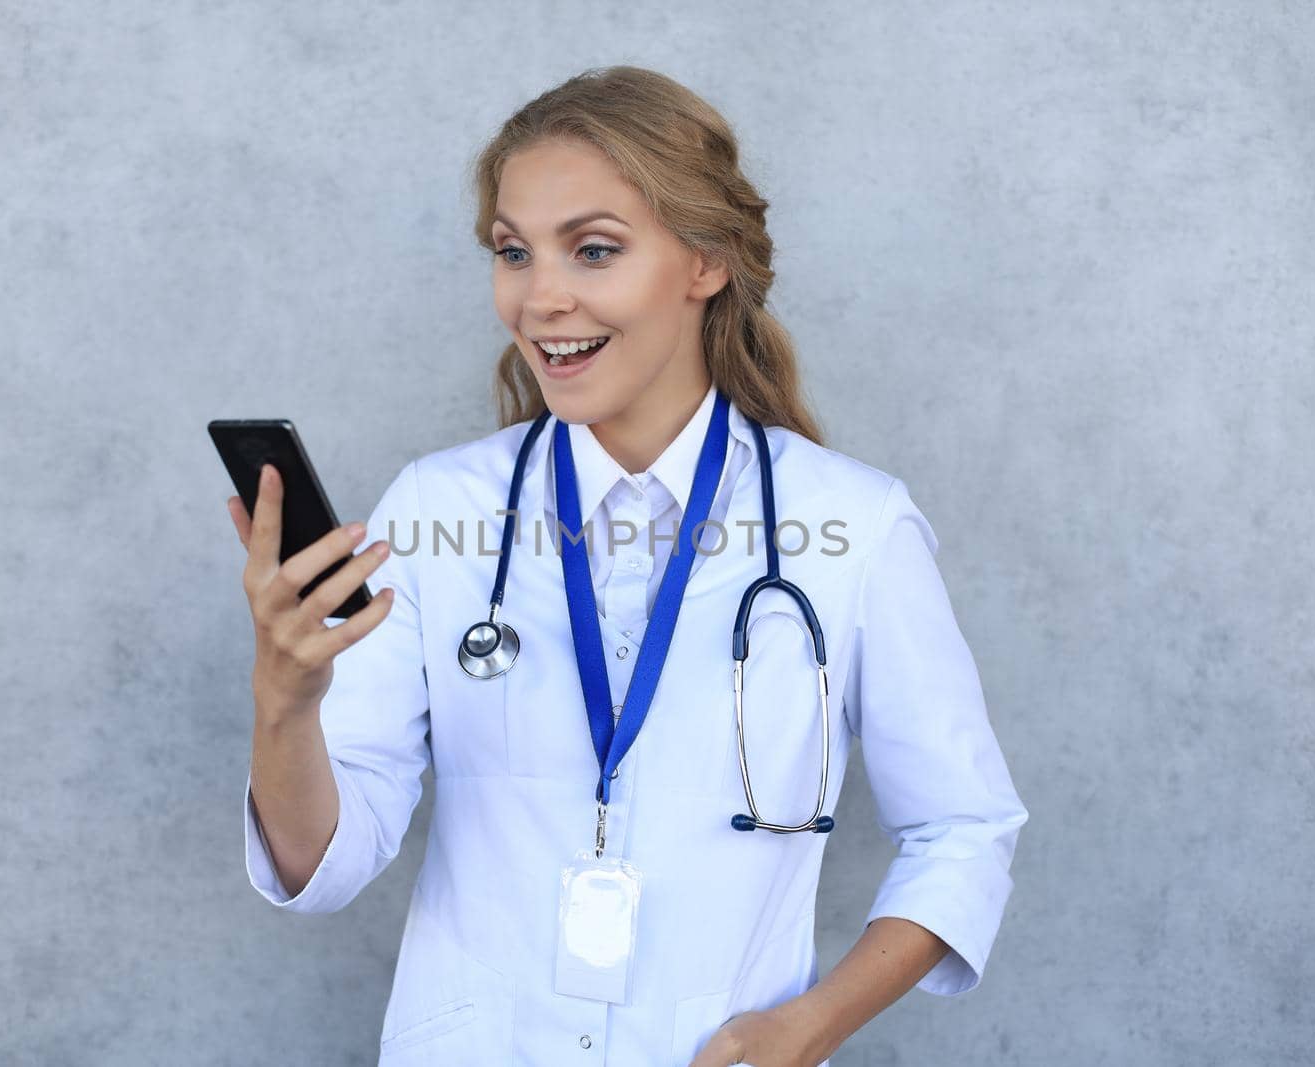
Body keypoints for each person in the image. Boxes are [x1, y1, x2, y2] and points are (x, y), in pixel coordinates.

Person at [227, 66, 1028, 1067]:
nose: (541, 296)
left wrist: (810, 1023)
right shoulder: (438, 512)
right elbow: (323, 865)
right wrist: (283, 702)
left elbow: (962, 829)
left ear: (706, 262)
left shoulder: (852, 525)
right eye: (512, 252)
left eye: (593, 249)